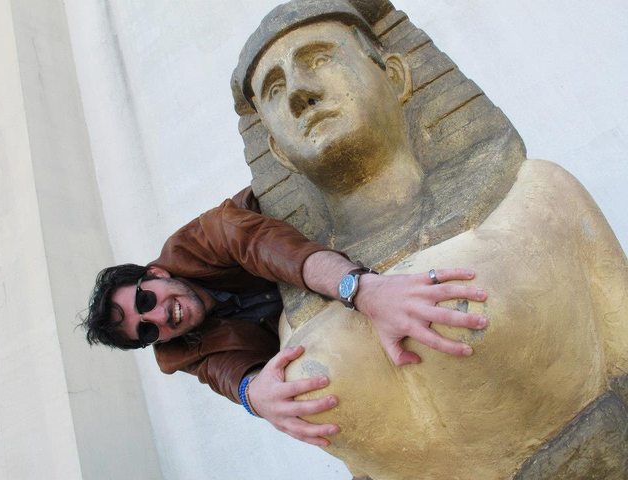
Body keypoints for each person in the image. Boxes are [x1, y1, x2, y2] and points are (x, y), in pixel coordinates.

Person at [231, 0, 628, 478]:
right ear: (277, 151)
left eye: (319, 58)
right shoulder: (294, 324)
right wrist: (248, 392)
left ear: (397, 76)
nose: (300, 92)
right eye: (275, 89)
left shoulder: (538, 195)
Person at [82, 185, 488, 447]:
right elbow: (228, 375)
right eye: (146, 331)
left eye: (145, 300)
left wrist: (361, 289)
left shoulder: (193, 244)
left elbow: (259, 243)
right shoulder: (178, 351)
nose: (159, 316)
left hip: (338, 241)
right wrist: (253, 396)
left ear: (155, 274)